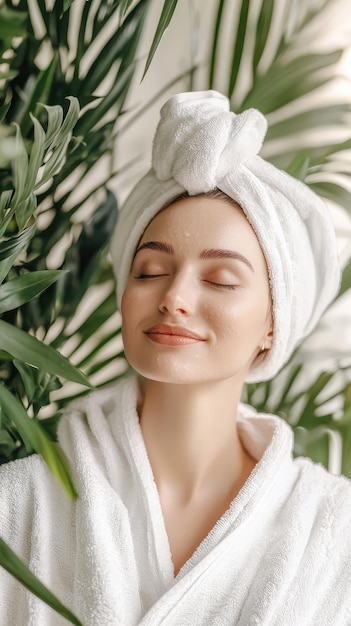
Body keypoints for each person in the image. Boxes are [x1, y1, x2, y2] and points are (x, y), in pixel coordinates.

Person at [0, 90, 350, 626]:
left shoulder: (332, 528)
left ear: (273, 324)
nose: (174, 297)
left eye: (221, 279)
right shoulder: (19, 507)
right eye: (150, 271)